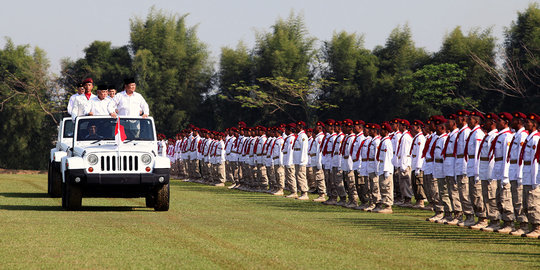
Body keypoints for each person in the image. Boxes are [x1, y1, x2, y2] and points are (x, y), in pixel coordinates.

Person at [373, 122, 394, 213]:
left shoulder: (387, 142)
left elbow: (387, 157)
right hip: (382, 166)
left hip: (386, 167)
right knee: (382, 187)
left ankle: (388, 206)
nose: (380, 131)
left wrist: (386, 170)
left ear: (386, 131)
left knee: (386, 187)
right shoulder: (383, 141)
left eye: (382, 130)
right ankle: (384, 204)